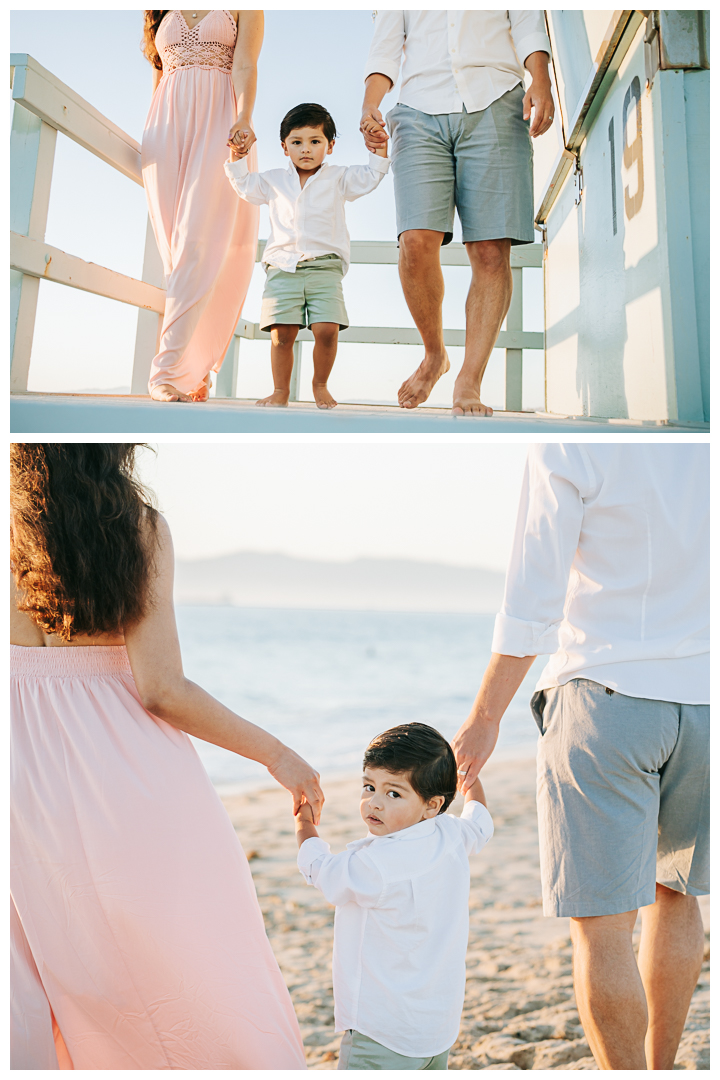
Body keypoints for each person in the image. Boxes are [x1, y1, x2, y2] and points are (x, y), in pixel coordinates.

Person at [10, 443, 321, 1069]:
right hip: (127, 768)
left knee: (50, 962)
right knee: (196, 955)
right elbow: (161, 689)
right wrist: (277, 754)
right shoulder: (138, 527)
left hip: (20, 778)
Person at [452, 443, 709, 1070]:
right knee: (677, 895)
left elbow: (531, 598)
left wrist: (485, 718)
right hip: (708, 700)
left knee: (602, 925)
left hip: (604, 696)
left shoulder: (569, 441)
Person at [360, 11, 554, 415]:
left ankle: (469, 380)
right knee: (414, 241)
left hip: (496, 100)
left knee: (489, 251)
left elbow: (528, 23)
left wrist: (541, 79)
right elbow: (384, 48)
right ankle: (435, 355)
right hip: (417, 109)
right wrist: (370, 106)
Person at [295, 723, 493, 1069]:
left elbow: (322, 872)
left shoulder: (375, 865)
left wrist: (304, 823)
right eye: (369, 786)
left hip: (382, 1032)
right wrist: (471, 781)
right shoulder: (451, 833)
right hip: (436, 1028)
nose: (374, 803)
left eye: (394, 794)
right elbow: (480, 823)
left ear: (432, 805)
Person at [225, 102, 390, 409]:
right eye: (297, 142)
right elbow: (245, 185)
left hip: (324, 267)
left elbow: (370, 176)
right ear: (285, 147)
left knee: (327, 329)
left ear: (330, 146)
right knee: (281, 334)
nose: (306, 149)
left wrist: (379, 147)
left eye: (315, 142)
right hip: (281, 267)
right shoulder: (273, 180)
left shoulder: (339, 178)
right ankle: (280, 391)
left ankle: (320, 384)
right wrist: (238, 156)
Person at [141, 10, 263, 402]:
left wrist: (244, 117)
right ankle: (194, 367)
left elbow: (245, 63)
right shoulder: (158, 8)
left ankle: (167, 372)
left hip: (220, 120)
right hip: (165, 126)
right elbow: (159, 78)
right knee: (175, 251)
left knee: (198, 240)